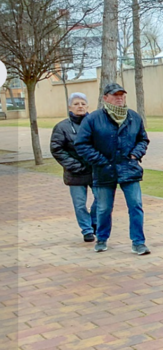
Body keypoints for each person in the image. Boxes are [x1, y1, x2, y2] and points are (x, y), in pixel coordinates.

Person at [75, 82, 151, 255]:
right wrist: (100, 160)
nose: (119, 98)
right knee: (103, 208)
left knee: (136, 206)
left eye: (122, 95)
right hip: (104, 171)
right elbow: (81, 143)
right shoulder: (93, 119)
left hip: (129, 169)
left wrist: (134, 155)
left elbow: (143, 139)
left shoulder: (133, 117)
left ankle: (138, 242)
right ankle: (101, 238)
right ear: (106, 98)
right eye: (115, 95)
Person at [50, 92, 96, 242]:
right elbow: (57, 149)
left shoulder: (95, 123)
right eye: (76, 104)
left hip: (95, 170)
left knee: (102, 199)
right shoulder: (62, 127)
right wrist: (74, 165)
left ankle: (94, 222)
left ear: (88, 106)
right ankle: (87, 230)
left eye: (83, 103)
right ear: (70, 107)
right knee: (80, 204)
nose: (80, 106)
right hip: (75, 172)